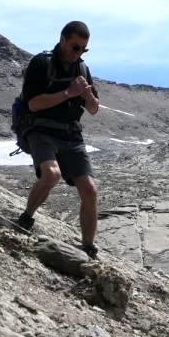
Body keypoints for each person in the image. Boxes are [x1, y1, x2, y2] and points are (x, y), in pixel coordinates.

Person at [16, 21, 101, 259]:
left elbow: (94, 109)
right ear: (63, 39)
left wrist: (85, 94)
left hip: (71, 135)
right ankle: (26, 217)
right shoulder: (41, 63)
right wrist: (68, 93)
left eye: (83, 49)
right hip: (41, 130)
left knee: (90, 189)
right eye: (75, 47)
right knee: (51, 174)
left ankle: (88, 247)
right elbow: (33, 103)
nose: (79, 53)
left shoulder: (82, 69)